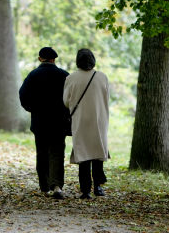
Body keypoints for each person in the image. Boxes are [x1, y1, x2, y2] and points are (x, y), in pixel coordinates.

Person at [19, 47, 70, 199]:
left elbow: (23, 96)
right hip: (59, 122)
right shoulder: (64, 76)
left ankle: (44, 185)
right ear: (54, 59)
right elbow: (71, 98)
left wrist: (33, 109)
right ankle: (56, 186)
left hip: (40, 122)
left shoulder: (32, 75)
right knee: (57, 153)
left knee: (42, 153)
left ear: (40, 59)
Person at [63, 49, 110, 199]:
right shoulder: (102, 77)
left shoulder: (71, 78)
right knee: (97, 153)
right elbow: (106, 98)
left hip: (80, 119)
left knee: (83, 154)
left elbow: (66, 101)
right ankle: (98, 187)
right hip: (99, 119)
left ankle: (85, 190)